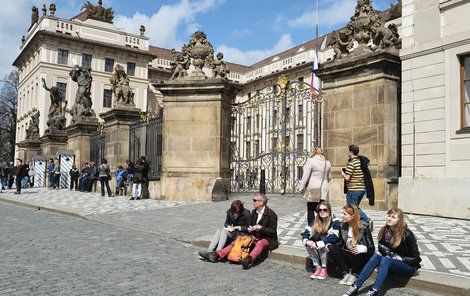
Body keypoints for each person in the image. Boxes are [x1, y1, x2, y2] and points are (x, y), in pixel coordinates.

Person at [343, 208, 422, 296]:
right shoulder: (385, 231)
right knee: (376, 256)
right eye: (388, 216)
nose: (389, 218)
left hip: (408, 266)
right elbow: (382, 250)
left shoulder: (407, 234)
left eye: (393, 217)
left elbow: (417, 258)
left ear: (399, 220)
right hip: (391, 262)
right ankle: (355, 286)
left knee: (385, 259)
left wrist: (401, 258)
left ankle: (374, 290)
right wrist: (388, 254)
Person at [199, 193, 278, 269]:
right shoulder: (254, 212)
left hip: (267, 238)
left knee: (261, 243)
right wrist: (251, 229)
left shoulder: (271, 214)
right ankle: (215, 255)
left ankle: (249, 260)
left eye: (254, 200)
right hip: (254, 236)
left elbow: (272, 232)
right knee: (237, 241)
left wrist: (261, 228)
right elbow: (250, 226)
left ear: (261, 202)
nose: (252, 202)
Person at [328, 204, 375, 286]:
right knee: (331, 247)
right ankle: (346, 273)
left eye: (345, 214)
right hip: (348, 255)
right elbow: (341, 243)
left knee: (357, 249)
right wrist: (331, 247)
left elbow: (372, 248)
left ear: (353, 216)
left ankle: (354, 274)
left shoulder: (363, 227)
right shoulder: (343, 225)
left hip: (360, 258)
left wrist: (364, 248)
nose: (342, 216)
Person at [301, 201, 340, 280]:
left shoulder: (335, 221)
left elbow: (334, 237)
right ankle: (318, 267)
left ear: (329, 211)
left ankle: (324, 268)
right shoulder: (316, 220)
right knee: (309, 244)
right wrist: (307, 241)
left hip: (332, 245)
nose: (322, 212)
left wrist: (319, 244)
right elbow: (305, 233)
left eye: (325, 210)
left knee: (321, 244)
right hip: (320, 243)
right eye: (320, 210)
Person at [299, 147, 332, 226]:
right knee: (322, 209)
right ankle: (323, 225)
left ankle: (311, 227)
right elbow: (330, 177)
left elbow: (306, 176)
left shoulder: (311, 161)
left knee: (311, 209)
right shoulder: (327, 163)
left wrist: (301, 187)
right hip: (324, 189)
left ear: (313, 152)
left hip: (313, 188)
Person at [341, 144, 373, 224]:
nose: (348, 153)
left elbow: (347, 178)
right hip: (361, 189)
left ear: (351, 152)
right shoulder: (360, 162)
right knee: (355, 208)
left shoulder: (352, 163)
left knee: (352, 208)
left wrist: (342, 173)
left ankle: (366, 220)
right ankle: (355, 224)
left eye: (348, 151)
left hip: (353, 189)